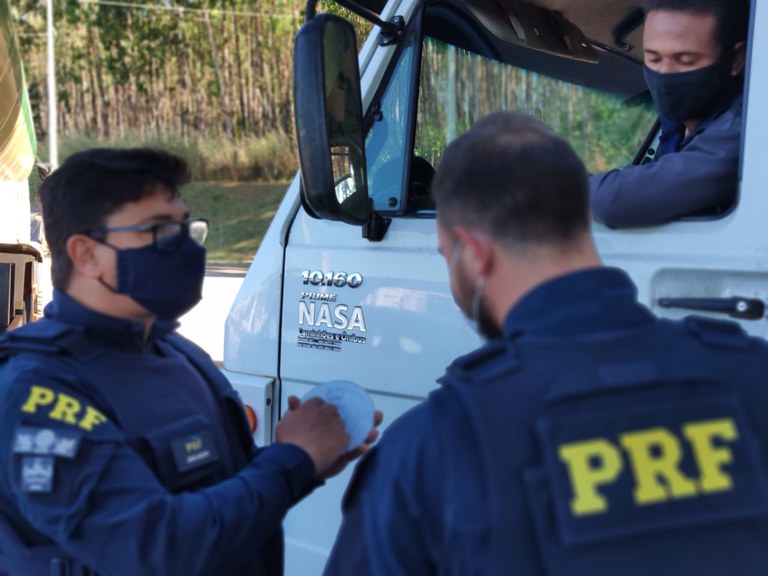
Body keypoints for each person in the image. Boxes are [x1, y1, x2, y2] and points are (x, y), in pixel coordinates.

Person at [325, 110, 768, 575]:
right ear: (579, 220)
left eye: (445, 255)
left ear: (473, 254)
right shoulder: (751, 373)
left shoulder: (432, 450)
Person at [0, 148, 378, 575]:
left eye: (186, 229)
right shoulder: (38, 389)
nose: (182, 248)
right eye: (160, 231)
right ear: (86, 254)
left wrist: (305, 461)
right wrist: (293, 458)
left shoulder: (179, 354)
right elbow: (157, 546)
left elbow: (217, 489)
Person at [590, 0, 749, 228]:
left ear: (737, 60)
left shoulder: (745, 131)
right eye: (653, 58)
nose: (663, 74)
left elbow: (614, 202)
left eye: (685, 60)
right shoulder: (675, 129)